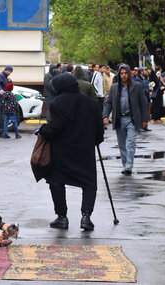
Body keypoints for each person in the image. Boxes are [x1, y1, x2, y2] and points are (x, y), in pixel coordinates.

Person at [40, 73, 104, 231]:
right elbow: (99, 131)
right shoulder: (91, 103)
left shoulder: (57, 103)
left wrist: (43, 130)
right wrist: (93, 141)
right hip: (85, 152)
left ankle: (62, 217)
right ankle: (86, 217)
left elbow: (55, 128)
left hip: (62, 152)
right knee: (89, 183)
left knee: (56, 181)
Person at [102, 64, 148, 175]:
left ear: (129, 73)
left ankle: (129, 166)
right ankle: (125, 164)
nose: (123, 75)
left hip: (131, 119)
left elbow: (143, 103)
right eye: (121, 73)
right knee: (122, 145)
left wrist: (145, 119)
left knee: (130, 143)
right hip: (119, 119)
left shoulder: (137, 86)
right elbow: (108, 103)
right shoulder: (114, 87)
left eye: (125, 73)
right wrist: (105, 116)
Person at [0, 66, 13, 135]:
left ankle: (0, 130)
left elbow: (9, 88)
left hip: (3, 98)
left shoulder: (5, 78)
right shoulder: (0, 76)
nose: (9, 73)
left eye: (10, 72)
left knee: (2, 114)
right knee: (0, 114)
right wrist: (0, 90)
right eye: (8, 71)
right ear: (5, 70)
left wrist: (10, 82)